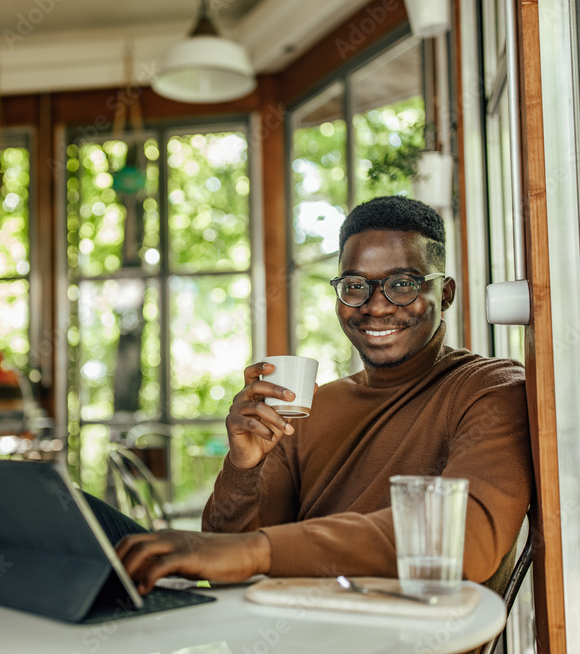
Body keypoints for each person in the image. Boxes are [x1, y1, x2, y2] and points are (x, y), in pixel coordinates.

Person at [116, 195, 533, 595]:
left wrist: (259, 551)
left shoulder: (491, 389)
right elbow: (226, 569)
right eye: (355, 285)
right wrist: (242, 467)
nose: (376, 306)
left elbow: (468, 539)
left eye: (403, 284)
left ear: (444, 294)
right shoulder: (309, 408)